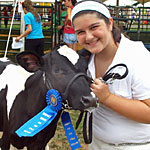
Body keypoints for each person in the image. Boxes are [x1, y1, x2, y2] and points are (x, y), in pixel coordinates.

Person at [71, 0, 150, 150]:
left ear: (109, 24)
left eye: (94, 27)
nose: (88, 37)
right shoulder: (85, 60)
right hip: (96, 143)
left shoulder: (137, 56)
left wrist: (107, 98)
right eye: (80, 32)